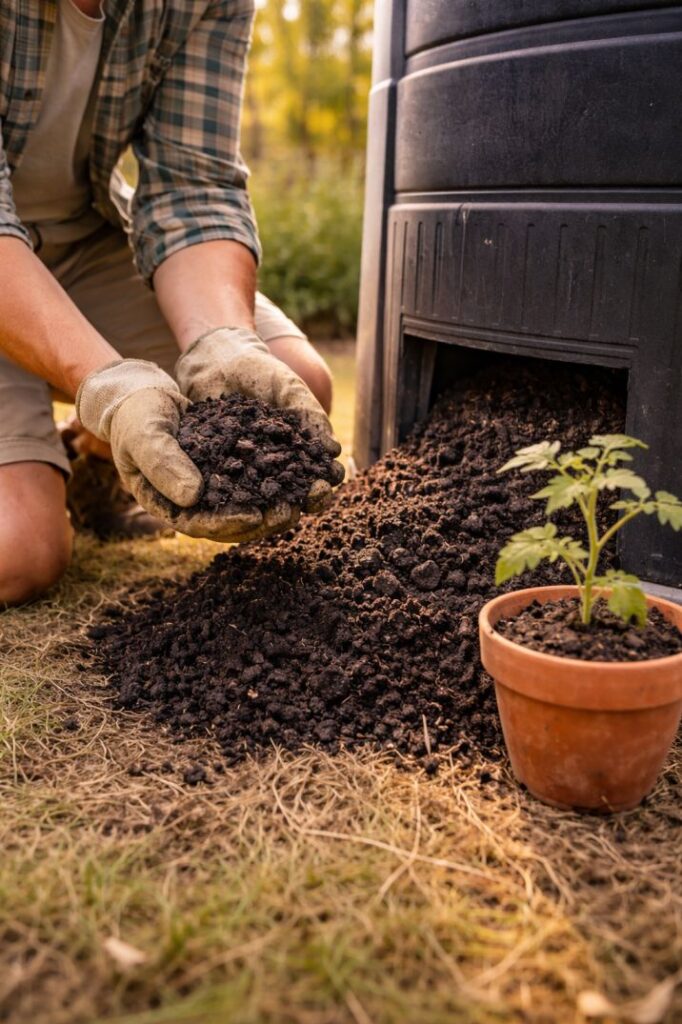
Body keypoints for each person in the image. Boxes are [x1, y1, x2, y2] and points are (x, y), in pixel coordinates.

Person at [0, 0, 343, 606]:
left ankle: (86, 459)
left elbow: (195, 188)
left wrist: (222, 341)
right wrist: (108, 384)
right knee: (19, 551)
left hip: (83, 237)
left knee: (291, 388)